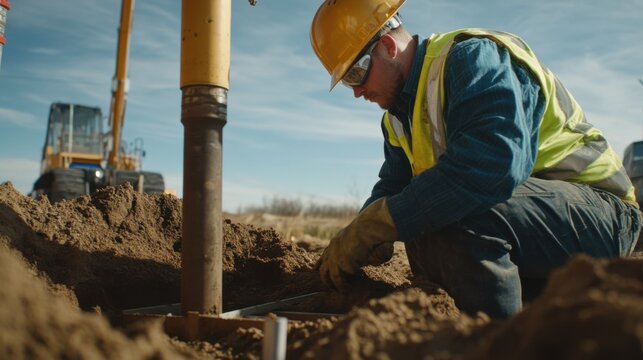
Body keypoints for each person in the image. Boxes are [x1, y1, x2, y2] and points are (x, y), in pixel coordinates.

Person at [310, 0, 642, 318]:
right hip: (532, 221)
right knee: (420, 222)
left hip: (602, 214)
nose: (355, 91)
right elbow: (392, 188)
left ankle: (496, 343)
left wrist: (385, 220)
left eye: (356, 74)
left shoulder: (472, 59)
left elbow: (493, 166)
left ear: (387, 46)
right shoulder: (397, 118)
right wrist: (364, 230)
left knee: (452, 212)